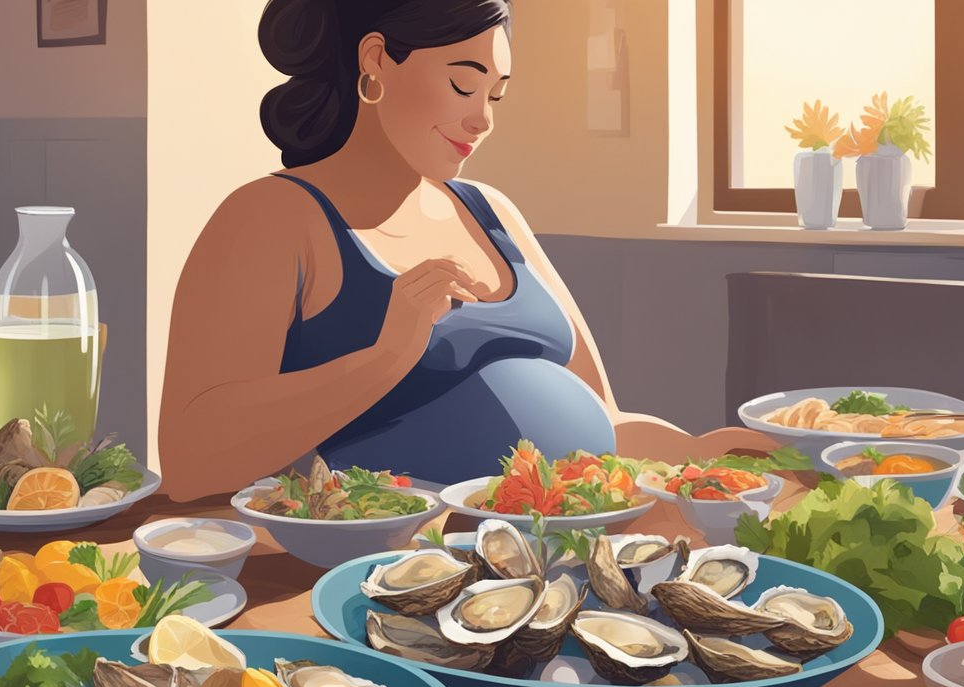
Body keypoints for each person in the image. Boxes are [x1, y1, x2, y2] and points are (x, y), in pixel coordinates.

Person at [159, 0, 778, 500]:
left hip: (576, 537)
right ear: (376, 61)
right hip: (406, 566)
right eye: (463, 84)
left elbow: (606, 426)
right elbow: (189, 460)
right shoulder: (272, 216)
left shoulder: (490, 209)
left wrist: (703, 454)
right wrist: (386, 357)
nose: (483, 119)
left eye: (497, 95)